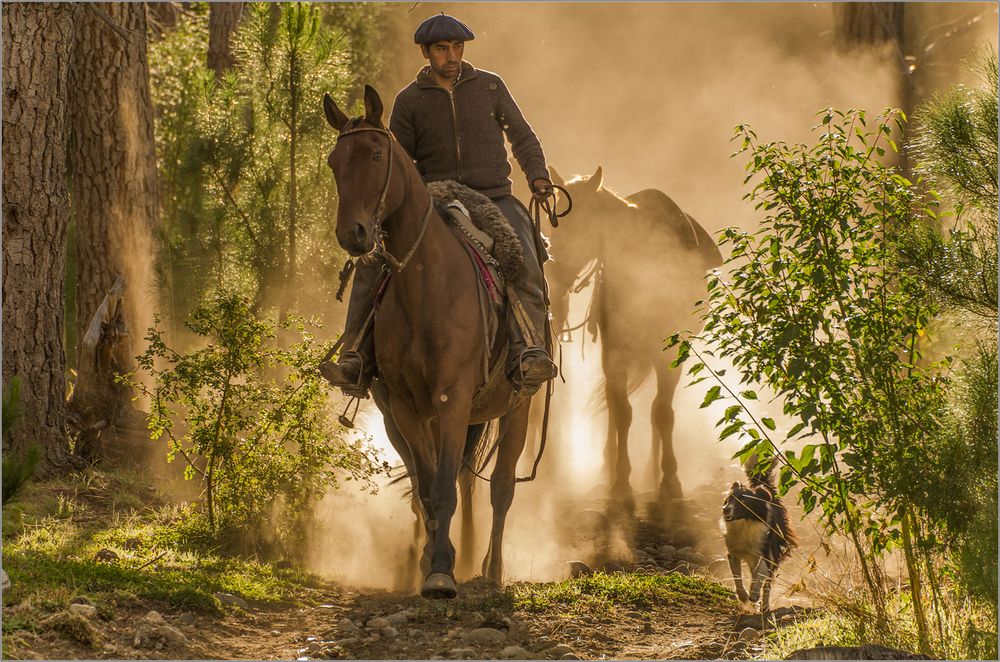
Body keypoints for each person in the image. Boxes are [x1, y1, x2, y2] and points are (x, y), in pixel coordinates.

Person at [322, 13, 558, 397]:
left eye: (457, 47)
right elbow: (399, 161)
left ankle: (527, 349)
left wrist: (538, 176)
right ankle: (356, 356)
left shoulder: (490, 87)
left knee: (524, 253)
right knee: (375, 263)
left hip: (494, 196)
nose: (452, 56)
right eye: (442, 49)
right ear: (426, 53)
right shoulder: (409, 101)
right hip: (436, 199)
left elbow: (523, 137)